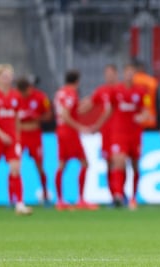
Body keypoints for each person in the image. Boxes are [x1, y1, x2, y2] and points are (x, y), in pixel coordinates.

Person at [0, 64, 33, 216]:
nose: (8, 79)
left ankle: (19, 204)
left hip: (12, 140)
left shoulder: (16, 96)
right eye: (4, 76)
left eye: (10, 76)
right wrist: (1, 135)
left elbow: (17, 118)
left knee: (16, 169)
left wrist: (17, 136)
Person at [108, 63, 152, 209]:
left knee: (134, 164)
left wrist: (142, 116)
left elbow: (147, 111)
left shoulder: (142, 91)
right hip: (119, 133)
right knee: (119, 161)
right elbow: (109, 109)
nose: (129, 75)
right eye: (127, 72)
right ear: (123, 74)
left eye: (132, 73)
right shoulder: (116, 90)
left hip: (134, 134)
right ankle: (119, 195)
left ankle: (133, 197)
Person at [54, 70, 98, 211]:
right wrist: (80, 127)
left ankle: (60, 200)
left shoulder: (60, 92)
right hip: (69, 133)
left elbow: (72, 110)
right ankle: (81, 199)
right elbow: (66, 115)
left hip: (60, 131)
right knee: (85, 163)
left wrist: (84, 103)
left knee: (62, 165)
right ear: (77, 81)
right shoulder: (71, 94)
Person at [79, 64, 118, 205]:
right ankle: (114, 195)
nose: (109, 76)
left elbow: (110, 111)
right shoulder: (101, 91)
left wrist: (97, 125)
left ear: (116, 74)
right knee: (109, 163)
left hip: (119, 131)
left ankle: (121, 193)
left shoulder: (120, 90)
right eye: (106, 74)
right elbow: (89, 105)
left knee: (119, 162)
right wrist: (73, 109)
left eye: (111, 74)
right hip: (107, 133)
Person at [16, 77, 52, 204]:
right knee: (15, 165)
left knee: (39, 165)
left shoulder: (40, 97)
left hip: (34, 135)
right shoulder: (16, 97)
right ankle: (14, 198)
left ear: (29, 89)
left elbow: (49, 115)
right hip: (20, 135)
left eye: (24, 92)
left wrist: (37, 117)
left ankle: (45, 193)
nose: (23, 95)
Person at [132, 59, 159, 130]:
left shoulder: (132, 81)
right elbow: (157, 102)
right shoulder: (152, 81)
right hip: (151, 120)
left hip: (135, 120)